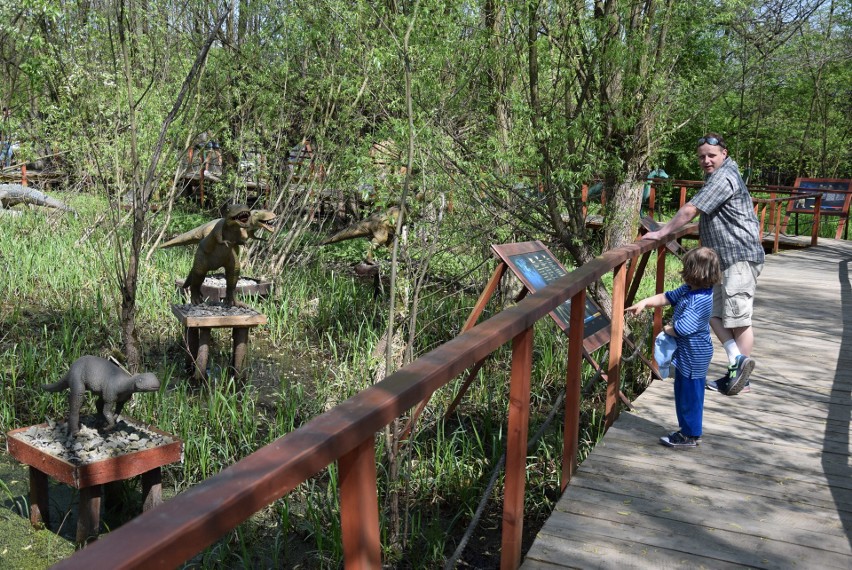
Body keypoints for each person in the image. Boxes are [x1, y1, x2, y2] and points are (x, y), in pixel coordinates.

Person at [643, 133, 765, 396]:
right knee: (714, 313)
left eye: (711, 155)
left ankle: (742, 380)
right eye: (702, 156)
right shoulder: (718, 175)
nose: (706, 160)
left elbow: (691, 209)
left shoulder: (724, 177)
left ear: (724, 153)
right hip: (724, 260)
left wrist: (662, 232)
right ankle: (737, 367)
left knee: (739, 319)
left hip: (738, 257)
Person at [626, 247, 722, 448]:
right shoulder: (689, 290)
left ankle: (690, 435)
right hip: (688, 355)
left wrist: (666, 329)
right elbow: (667, 297)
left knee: (690, 394)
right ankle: (688, 430)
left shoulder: (701, 300)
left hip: (695, 356)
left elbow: (683, 328)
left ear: (694, 272)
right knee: (683, 390)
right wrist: (645, 303)